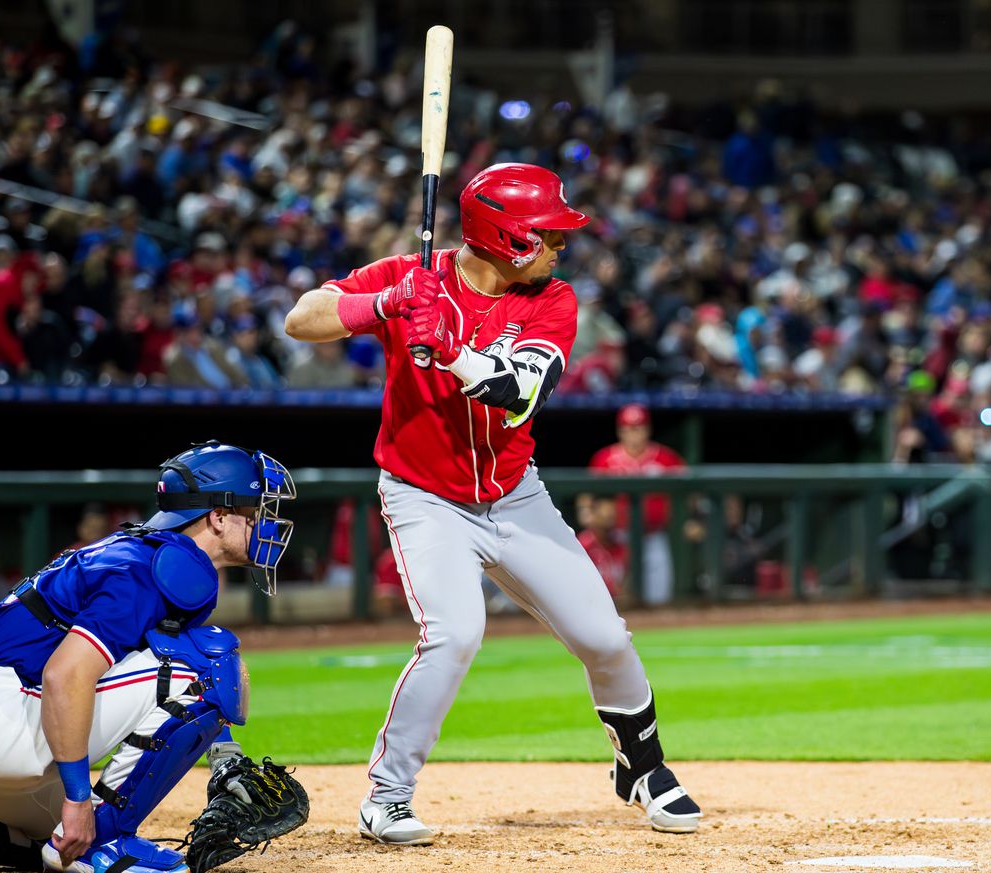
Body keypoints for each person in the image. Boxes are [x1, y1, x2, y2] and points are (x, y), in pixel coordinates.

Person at [284, 162, 702, 846]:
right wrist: (382, 305)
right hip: (424, 497)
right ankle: (386, 796)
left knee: (604, 635)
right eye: (547, 236)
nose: (559, 248)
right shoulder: (406, 276)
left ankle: (644, 766)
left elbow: (522, 391)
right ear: (506, 237)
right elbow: (302, 318)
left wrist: (454, 350)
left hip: (514, 493)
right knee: (454, 631)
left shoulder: (553, 300)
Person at [0, 442, 298, 873]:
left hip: (1, 728)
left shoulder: (148, 552)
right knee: (209, 665)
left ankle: (3, 832)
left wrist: (223, 752)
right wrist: (78, 800)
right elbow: (65, 674)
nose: (264, 524)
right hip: (2, 725)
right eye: (253, 513)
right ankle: (104, 844)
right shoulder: (152, 567)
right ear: (219, 517)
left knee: (49, 831)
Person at [588, 404, 688, 605]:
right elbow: (588, 497)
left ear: (647, 429)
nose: (633, 434)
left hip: (654, 536)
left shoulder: (666, 458)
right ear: (620, 431)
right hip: (617, 539)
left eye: (638, 428)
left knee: (659, 599)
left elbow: (689, 493)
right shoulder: (604, 459)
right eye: (628, 429)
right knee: (615, 600)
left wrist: (690, 520)